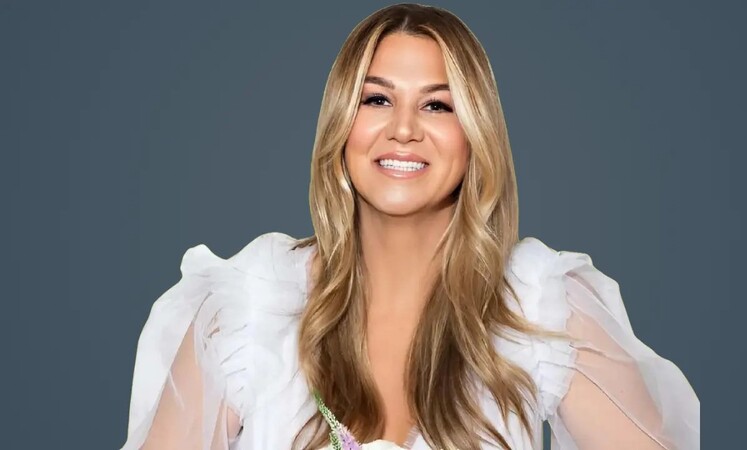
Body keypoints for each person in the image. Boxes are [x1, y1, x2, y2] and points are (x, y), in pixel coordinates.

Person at [119, 3, 699, 450]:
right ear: (341, 126)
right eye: (376, 100)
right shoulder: (250, 306)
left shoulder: (540, 305)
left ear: (476, 137)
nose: (403, 129)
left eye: (437, 105)